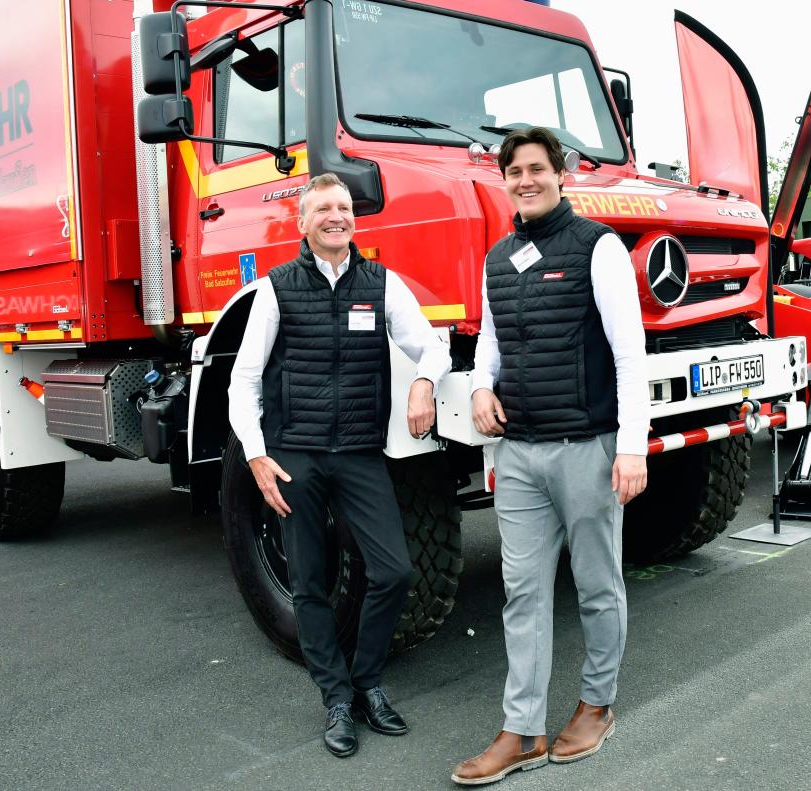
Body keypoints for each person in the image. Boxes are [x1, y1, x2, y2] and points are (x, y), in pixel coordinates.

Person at [228, 172, 451, 758]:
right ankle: (335, 697)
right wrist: (256, 456)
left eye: (345, 207)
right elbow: (244, 379)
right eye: (323, 208)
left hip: (357, 454)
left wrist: (426, 381)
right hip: (295, 455)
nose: (336, 216)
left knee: (394, 571)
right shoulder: (277, 289)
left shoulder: (381, 284)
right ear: (301, 222)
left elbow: (432, 344)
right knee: (308, 583)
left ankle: (367, 681)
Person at [452, 127, 650, 785]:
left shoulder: (598, 248)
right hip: (521, 455)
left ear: (560, 175)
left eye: (537, 168)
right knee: (523, 593)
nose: (526, 180)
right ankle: (524, 729)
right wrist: (481, 385)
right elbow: (490, 344)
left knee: (597, 586)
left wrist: (629, 448)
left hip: (587, 448)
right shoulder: (499, 256)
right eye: (515, 171)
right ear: (504, 179)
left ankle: (597, 703)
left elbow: (629, 354)